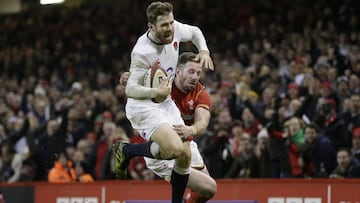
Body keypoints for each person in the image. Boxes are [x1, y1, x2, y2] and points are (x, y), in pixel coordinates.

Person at [113, 2, 214, 203]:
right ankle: (127, 150)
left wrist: (203, 50)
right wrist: (154, 91)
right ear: (151, 27)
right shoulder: (142, 51)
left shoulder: (175, 28)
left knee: (184, 154)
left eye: (171, 22)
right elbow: (130, 89)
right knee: (176, 149)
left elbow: (194, 31)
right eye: (164, 25)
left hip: (164, 102)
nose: (170, 28)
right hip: (143, 105)